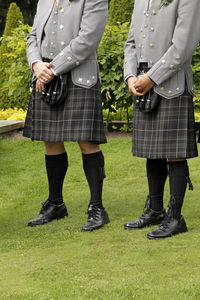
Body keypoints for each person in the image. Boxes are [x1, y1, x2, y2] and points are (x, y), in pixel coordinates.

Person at [23, 0, 110, 231]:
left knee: (87, 141)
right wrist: (35, 64)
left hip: (79, 78)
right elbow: (33, 36)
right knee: (50, 141)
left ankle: (97, 208)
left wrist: (50, 69)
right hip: (44, 77)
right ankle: (55, 204)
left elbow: (88, 39)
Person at [123, 0, 200, 239]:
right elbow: (131, 43)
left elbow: (183, 46)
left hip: (172, 84)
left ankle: (175, 217)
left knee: (174, 151)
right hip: (143, 83)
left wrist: (152, 78)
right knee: (152, 150)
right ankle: (155, 210)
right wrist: (130, 76)